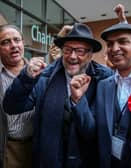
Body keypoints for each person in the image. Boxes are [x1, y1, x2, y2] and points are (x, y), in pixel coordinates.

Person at [3, 22, 113, 168]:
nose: (72, 56)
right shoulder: (45, 76)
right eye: (67, 50)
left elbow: (92, 132)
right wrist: (26, 78)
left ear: (90, 54)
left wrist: (78, 101)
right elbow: (12, 107)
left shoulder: (103, 80)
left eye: (79, 51)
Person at [70, 23, 131, 168]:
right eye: (110, 44)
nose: (115, 48)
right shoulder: (103, 86)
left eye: (123, 42)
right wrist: (78, 100)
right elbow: (91, 130)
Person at [0, 24, 34, 168]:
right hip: (7, 148)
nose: (13, 45)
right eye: (6, 42)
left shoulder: (39, 72)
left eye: (17, 40)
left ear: (22, 43)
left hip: (37, 146)